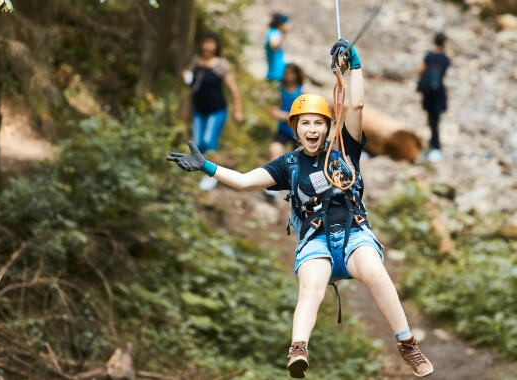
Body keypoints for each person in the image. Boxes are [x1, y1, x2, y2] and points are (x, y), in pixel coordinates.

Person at [168, 40, 433, 378]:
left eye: (318, 123)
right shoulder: (288, 165)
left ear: (327, 126)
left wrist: (354, 66)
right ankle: (298, 349)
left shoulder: (345, 148)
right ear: (295, 128)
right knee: (311, 287)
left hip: (353, 233)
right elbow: (246, 181)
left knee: (374, 270)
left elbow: (357, 103)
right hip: (316, 240)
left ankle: (407, 343)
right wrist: (207, 167)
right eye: (305, 124)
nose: (312, 129)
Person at [182, 32, 243, 190]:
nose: (208, 45)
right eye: (205, 42)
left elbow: (233, 89)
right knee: (198, 143)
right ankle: (203, 171)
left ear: (216, 45)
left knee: (209, 142)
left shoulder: (221, 65)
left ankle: (213, 176)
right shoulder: (196, 61)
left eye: (211, 42)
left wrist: (238, 110)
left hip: (216, 110)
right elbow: (192, 84)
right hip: (199, 109)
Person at [264, 63, 304, 200]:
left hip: (297, 133)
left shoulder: (302, 91)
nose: (289, 76)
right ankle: (273, 183)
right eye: (287, 72)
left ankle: (298, 190)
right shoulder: (280, 89)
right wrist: (274, 112)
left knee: (299, 163)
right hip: (282, 130)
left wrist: (286, 116)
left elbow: (305, 113)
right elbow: (272, 106)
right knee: (274, 150)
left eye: (292, 73)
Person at [417, 32, 451, 163]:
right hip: (439, 92)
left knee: (431, 119)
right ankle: (435, 145)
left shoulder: (429, 56)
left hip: (428, 92)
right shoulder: (446, 59)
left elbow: (420, 70)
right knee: (436, 120)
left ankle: (434, 144)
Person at [265, 13, 289, 82]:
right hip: (277, 74)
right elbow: (274, 45)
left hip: (277, 72)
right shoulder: (275, 32)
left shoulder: (273, 32)